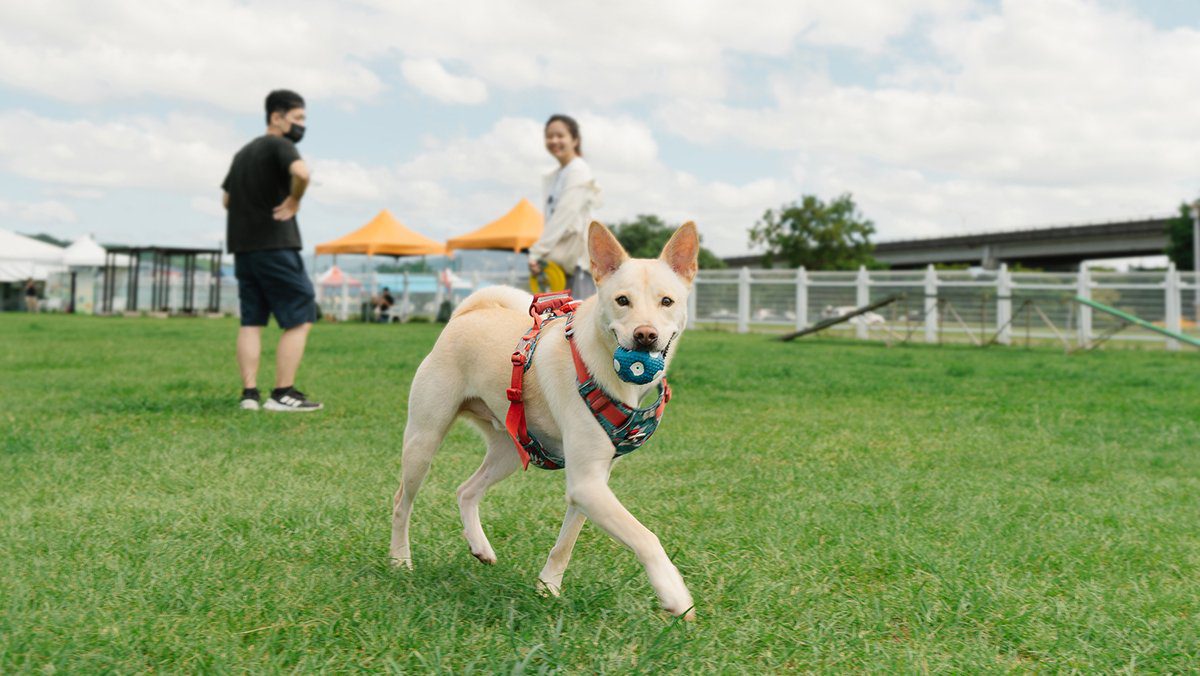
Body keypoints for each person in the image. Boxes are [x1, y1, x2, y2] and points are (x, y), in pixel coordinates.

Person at [222, 89, 322, 412]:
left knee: (251, 321)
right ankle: (283, 394)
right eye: (298, 118)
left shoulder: (242, 154)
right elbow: (302, 173)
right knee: (301, 315)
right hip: (276, 246)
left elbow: (226, 199)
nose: (302, 125)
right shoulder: (281, 145)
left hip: (244, 250)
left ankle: (249, 395)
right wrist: (294, 199)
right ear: (276, 117)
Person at [528, 114, 603, 299]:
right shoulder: (557, 175)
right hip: (563, 263)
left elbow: (564, 215)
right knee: (563, 315)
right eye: (549, 136)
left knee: (578, 314)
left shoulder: (578, 170)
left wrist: (537, 252)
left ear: (575, 140)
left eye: (560, 135)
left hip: (578, 263)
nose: (554, 141)